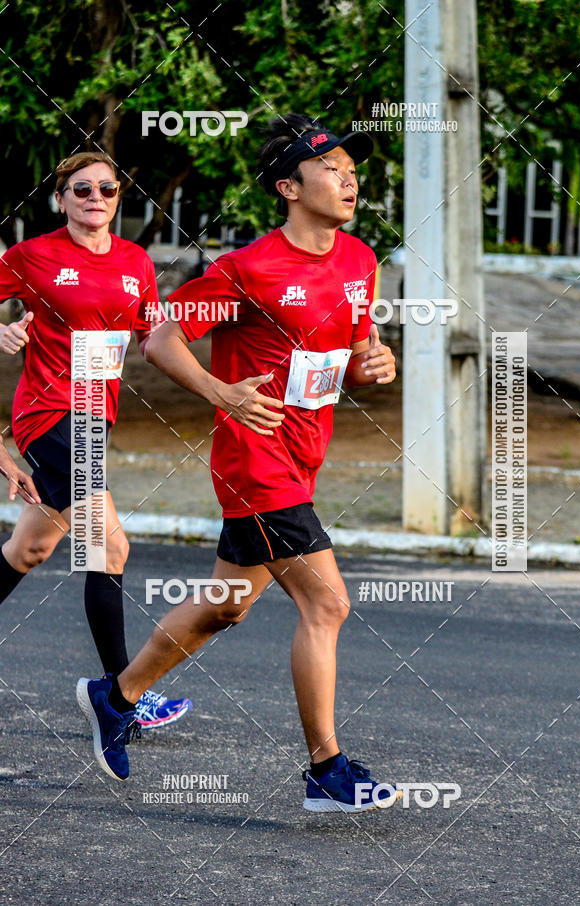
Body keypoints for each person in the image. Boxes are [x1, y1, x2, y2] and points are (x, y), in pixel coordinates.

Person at [78, 115, 399, 811]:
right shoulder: (249, 269)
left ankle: (117, 695)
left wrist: (377, 362)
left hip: (303, 456)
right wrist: (221, 392)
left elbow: (354, 349)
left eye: (352, 168)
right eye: (330, 167)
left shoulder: (359, 260)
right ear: (288, 186)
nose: (348, 179)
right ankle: (325, 769)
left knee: (226, 606)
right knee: (328, 602)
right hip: (254, 464)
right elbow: (161, 339)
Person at [0, 151, 192, 729]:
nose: (96, 198)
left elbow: (154, 339)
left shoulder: (136, 261)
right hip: (46, 415)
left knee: (29, 550)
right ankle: (122, 697)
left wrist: (221, 375)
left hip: (91, 420)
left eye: (107, 189)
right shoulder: (30, 256)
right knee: (109, 548)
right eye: (81, 189)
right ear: (60, 198)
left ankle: (122, 695)